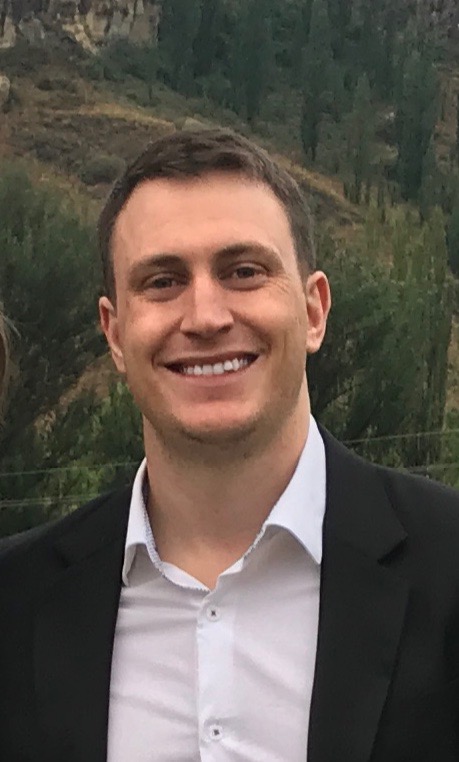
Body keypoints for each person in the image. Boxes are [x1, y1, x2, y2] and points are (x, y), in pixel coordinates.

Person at [0, 128, 458, 762]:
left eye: (243, 271)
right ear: (113, 334)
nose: (206, 316)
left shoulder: (449, 567)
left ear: (315, 310)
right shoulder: (15, 603)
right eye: (162, 281)